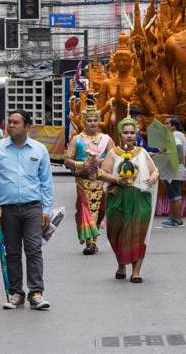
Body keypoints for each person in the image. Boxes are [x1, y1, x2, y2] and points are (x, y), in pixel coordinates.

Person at [0, 110, 54, 310]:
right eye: (9, 122)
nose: (11, 126)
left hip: (33, 208)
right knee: (11, 252)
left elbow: (46, 182)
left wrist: (46, 209)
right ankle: (16, 293)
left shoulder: (39, 150)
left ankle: (36, 293)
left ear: (27, 126)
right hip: (7, 209)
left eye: (16, 122)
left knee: (33, 250)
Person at [99, 111, 159, 283]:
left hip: (140, 198)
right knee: (115, 234)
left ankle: (136, 271)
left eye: (132, 133)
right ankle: (121, 265)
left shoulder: (142, 152)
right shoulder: (113, 153)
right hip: (118, 198)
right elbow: (102, 173)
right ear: (120, 135)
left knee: (139, 233)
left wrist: (154, 176)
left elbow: (154, 169)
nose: (129, 135)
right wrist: (118, 179)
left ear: (136, 134)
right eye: (126, 133)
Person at [64, 98, 113, 255]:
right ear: (84, 121)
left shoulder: (106, 139)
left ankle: (94, 239)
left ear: (99, 121)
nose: (92, 123)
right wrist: (82, 165)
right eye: (89, 120)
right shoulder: (77, 140)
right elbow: (67, 161)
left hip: (101, 181)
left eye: (95, 120)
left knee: (100, 210)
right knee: (84, 210)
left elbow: (114, 158)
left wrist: (99, 161)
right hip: (83, 181)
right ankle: (89, 242)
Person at [161, 116, 186, 228]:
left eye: (167, 123)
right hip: (178, 168)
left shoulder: (174, 135)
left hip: (174, 168)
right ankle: (174, 218)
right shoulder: (182, 135)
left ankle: (177, 220)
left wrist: (179, 159)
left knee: (175, 195)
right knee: (173, 194)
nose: (165, 125)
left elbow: (178, 146)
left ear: (173, 125)